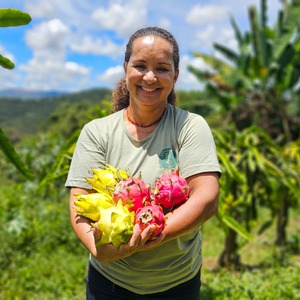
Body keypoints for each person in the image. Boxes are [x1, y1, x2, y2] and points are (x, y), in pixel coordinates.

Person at [66, 26, 221, 300]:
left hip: (178, 283)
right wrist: (98, 247)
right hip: (110, 282)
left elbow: (206, 198)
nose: (150, 77)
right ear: (126, 68)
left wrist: (151, 235)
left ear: (176, 75)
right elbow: (80, 200)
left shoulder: (190, 126)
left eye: (162, 68)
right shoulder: (96, 132)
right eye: (140, 65)